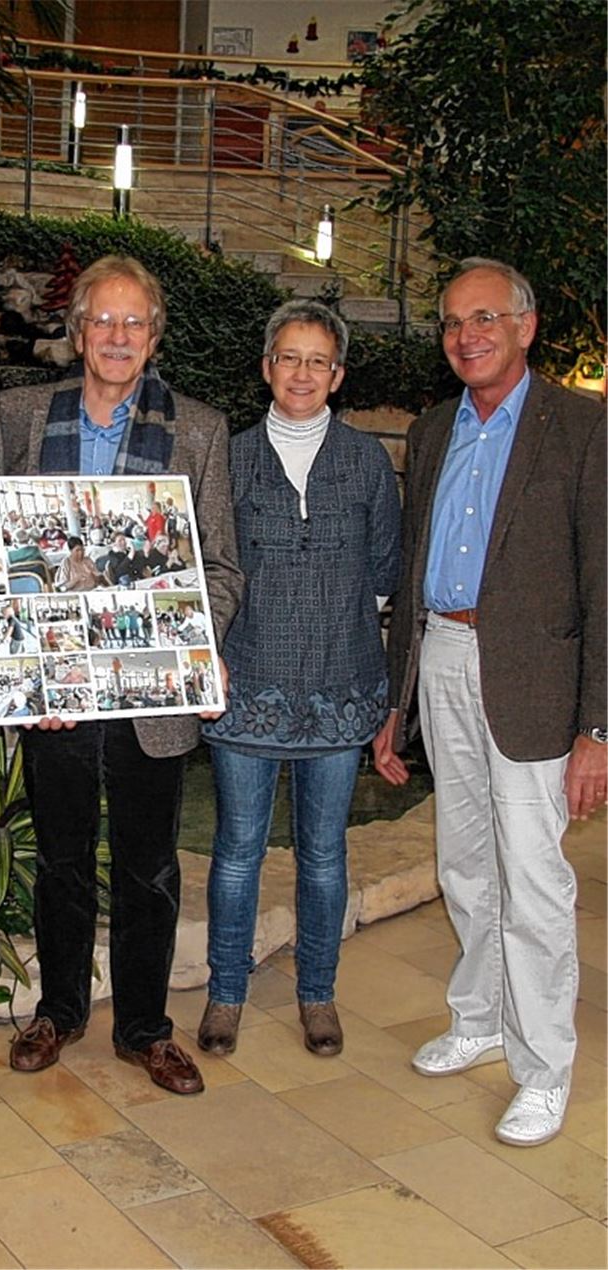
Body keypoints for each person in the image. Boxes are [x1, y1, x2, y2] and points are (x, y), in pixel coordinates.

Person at [0, 255, 243, 1095]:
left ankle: (143, 1027)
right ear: (78, 330)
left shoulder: (198, 430)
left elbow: (222, 571)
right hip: (54, 690)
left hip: (149, 689)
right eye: (103, 320)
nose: (118, 337)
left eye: (135, 323)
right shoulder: (20, 417)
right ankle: (57, 1011)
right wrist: (26, 667)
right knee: (61, 858)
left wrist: (193, 647)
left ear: (155, 335)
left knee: (149, 865)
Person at [373, 258, 606, 1146]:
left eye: (485, 318)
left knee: (534, 879)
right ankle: (477, 1017)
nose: (467, 335)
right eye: (452, 322)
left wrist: (599, 729)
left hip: (533, 681)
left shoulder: (581, 429)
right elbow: (409, 568)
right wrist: (398, 699)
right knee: (464, 863)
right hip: (442, 654)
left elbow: (606, 585)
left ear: (525, 326)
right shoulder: (434, 428)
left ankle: (544, 1064)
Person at [201, 300, 401, 1060]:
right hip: (248, 687)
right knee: (237, 852)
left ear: (338, 375)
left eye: (318, 361)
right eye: (289, 357)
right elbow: (210, 566)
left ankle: (317, 991)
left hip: (340, 688)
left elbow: (385, 568)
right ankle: (226, 993)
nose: (302, 373)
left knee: (324, 857)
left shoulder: (366, 462)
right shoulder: (231, 458)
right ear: (265, 367)